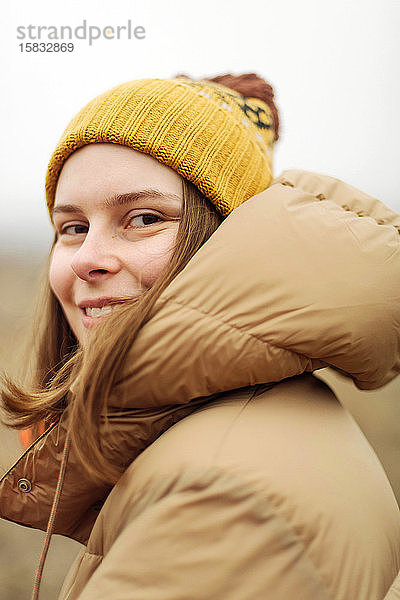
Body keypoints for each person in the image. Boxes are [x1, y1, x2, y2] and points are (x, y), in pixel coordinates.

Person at [1, 73, 400, 600]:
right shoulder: (241, 424)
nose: (89, 260)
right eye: (72, 227)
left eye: (143, 218)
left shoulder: (220, 495)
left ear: (226, 242)